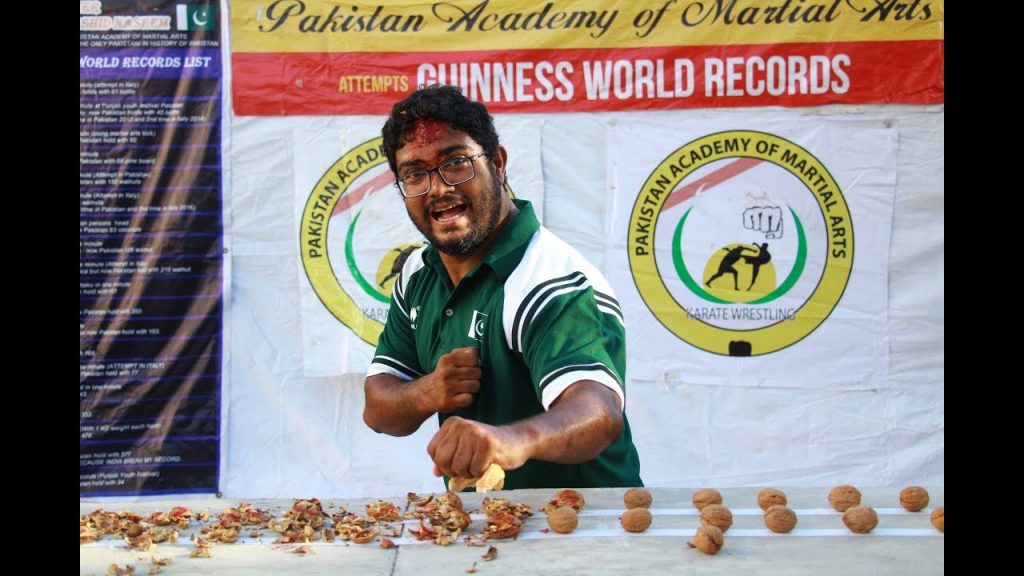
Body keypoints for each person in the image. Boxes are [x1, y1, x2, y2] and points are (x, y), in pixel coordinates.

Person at [362, 85, 642, 490]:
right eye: (415, 173)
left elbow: (598, 411)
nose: (438, 188)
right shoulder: (418, 274)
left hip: (587, 532)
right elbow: (377, 410)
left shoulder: (551, 280)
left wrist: (510, 439)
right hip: (490, 530)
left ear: (497, 162)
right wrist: (429, 392)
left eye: (456, 162)